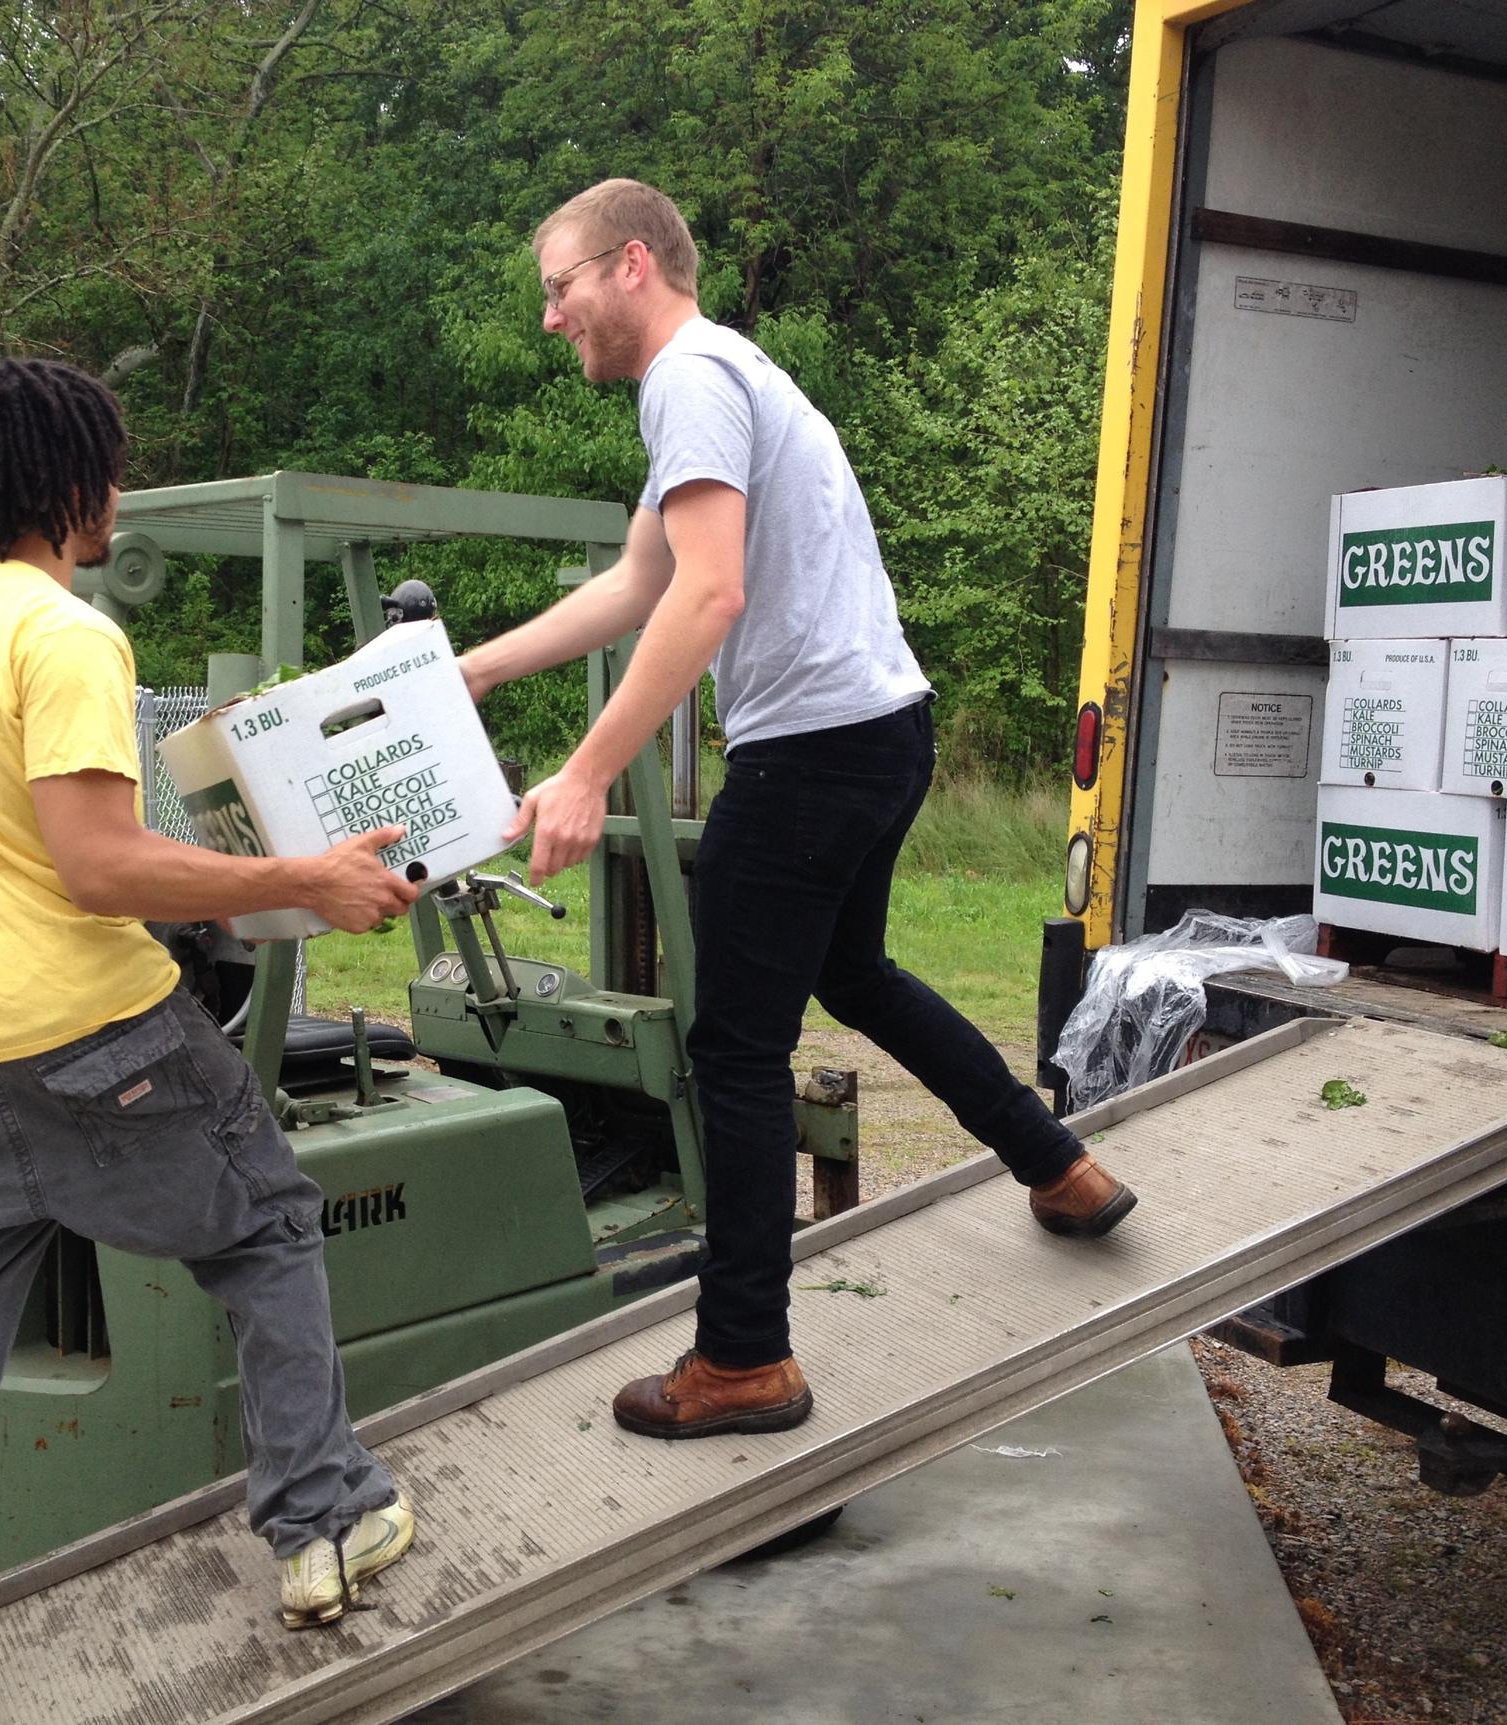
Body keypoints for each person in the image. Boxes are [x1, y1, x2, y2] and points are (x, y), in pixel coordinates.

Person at [0, 359, 418, 1725]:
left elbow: (21, 846)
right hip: (92, 1046)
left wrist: (225, 879)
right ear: (68, 484)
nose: (120, 495)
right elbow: (96, 865)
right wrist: (300, 879)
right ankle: (323, 1522)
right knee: (268, 1227)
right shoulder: (64, 634)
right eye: (110, 470)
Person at [460, 179, 1137, 1443]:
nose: (551, 318)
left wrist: (590, 769)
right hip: (883, 731)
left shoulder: (689, 379)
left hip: (810, 755)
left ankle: (743, 1361)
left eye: (560, 287)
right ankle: (1059, 1165)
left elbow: (707, 596)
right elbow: (639, 584)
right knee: (855, 974)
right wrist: (478, 670)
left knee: (734, 1051)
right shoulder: (727, 375)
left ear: (632, 266)